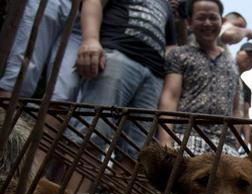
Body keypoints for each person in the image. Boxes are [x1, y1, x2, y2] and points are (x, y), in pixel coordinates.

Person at [72, 0, 177, 161]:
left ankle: (117, 186)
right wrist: (90, 39)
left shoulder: (166, 5)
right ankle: (73, 187)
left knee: (135, 151)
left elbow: (171, 45)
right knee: (92, 133)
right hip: (118, 54)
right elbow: (94, 2)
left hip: (154, 75)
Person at [158, 0, 239, 155]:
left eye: (213, 17)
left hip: (225, 146)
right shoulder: (179, 54)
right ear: (189, 22)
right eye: (201, 18)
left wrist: (235, 142)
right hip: (186, 138)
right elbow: (170, 97)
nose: (207, 23)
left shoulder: (232, 64)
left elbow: (236, 109)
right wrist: (165, 142)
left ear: (221, 21)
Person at [0, 0, 81, 101]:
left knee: (64, 92)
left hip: (87, 15)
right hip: (50, 3)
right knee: (20, 76)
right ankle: (6, 113)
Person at [235, 42, 252, 142]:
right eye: (248, 54)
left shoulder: (246, 89)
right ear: (238, 52)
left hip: (231, 139)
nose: (251, 60)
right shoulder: (217, 71)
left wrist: (246, 140)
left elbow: (245, 116)